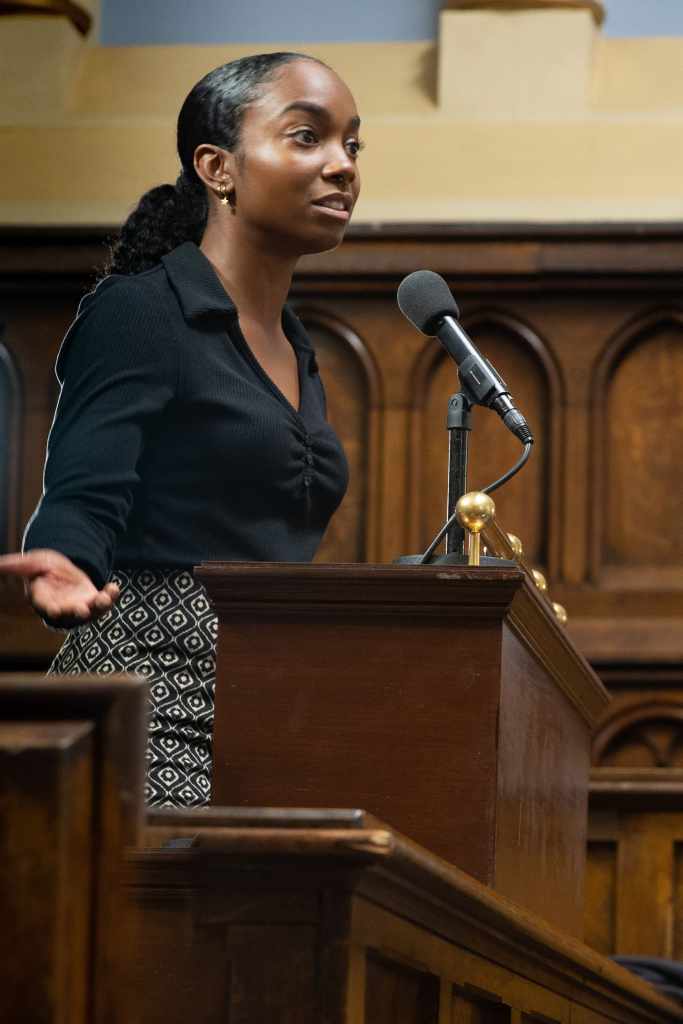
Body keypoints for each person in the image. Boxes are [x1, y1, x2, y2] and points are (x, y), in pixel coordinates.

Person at [0, 52, 362, 807]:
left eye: (352, 144)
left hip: (267, 705)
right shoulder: (143, 310)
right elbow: (85, 487)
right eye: (307, 137)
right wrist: (64, 555)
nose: (342, 165)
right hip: (149, 698)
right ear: (216, 167)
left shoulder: (296, 345)